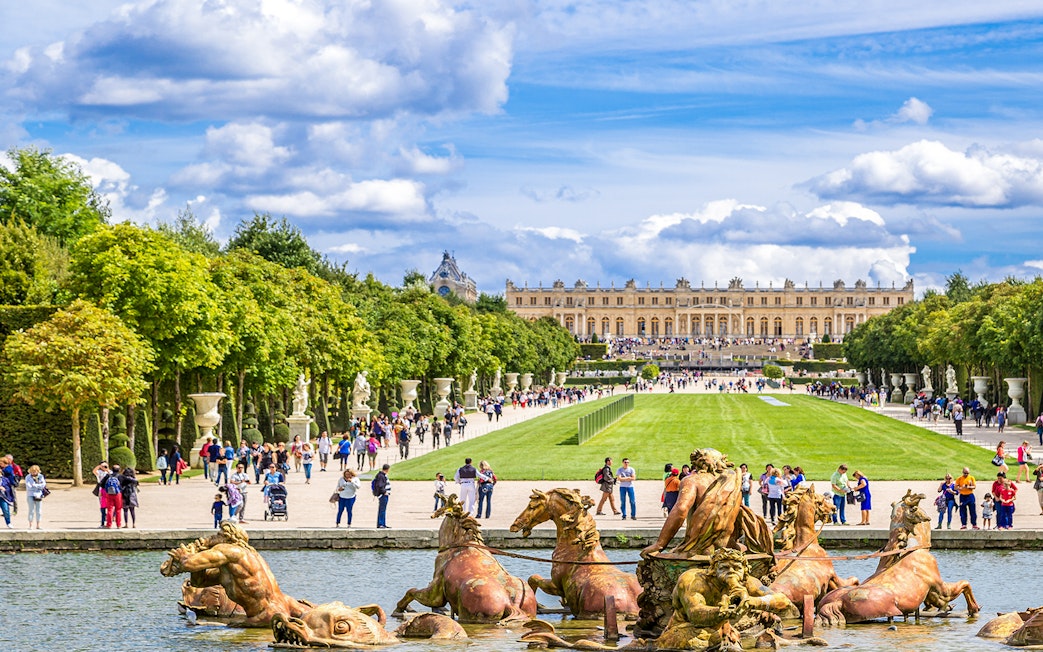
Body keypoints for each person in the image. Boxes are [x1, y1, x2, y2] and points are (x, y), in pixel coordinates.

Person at [24, 464, 45, 529]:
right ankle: (30, 525)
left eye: (35, 471)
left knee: (39, 510)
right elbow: (29, 486)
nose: (34, 473)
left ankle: (38, 525)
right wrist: (38, 486)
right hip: (30, 495)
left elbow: (43, 485)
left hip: (39, 495)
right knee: (31, 510)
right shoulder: (28, 477)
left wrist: (35, 485)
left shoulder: (41, 476)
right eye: (32, 471)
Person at [373, 463, 391, 528]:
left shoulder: (382, 475)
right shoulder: (381, 476)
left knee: (383, 510)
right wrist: (384, 492)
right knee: (382, 510)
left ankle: (383, 523)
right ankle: (380, 524)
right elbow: (380, 485)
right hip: (383, 495)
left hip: (384, 495)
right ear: (387, 469)